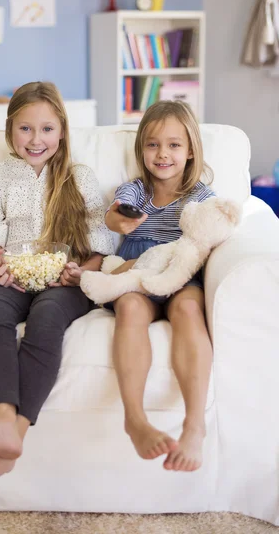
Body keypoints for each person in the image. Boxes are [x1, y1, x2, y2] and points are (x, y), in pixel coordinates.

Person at [0, 81, 114, 484]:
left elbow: (98, 244)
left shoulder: (80, 177)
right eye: (25, 129)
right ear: (10, 131)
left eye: (46, 129)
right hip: (16, 274)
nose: (36, 139)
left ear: (62, 130)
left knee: (46, 318)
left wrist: (82, 272)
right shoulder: (0, 176)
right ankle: (2, 417)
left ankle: (14, 433)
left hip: (66, 282)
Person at [105, 100, 214, 473]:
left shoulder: (199, 196)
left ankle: (194, 425)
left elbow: (212, 230)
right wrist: (121, 221)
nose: (162, 153)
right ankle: (134, 419)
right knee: (131, 308)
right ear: (142, 150)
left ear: (189, 151)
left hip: (181, 273)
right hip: (138, 271)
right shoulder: (136, 190)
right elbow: (115, 213)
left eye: (173, 145)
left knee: (187, 309)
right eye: (152, 145)